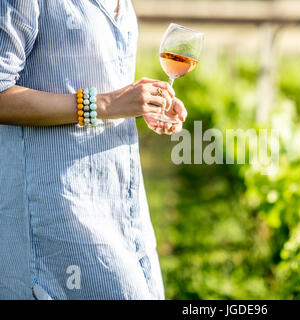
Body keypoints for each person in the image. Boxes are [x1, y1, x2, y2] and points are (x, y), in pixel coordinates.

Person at [0, 0, 186, 299]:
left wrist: (138, 105)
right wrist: (105, 104)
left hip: (123, 204)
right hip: (61, 208)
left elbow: (95, 82)